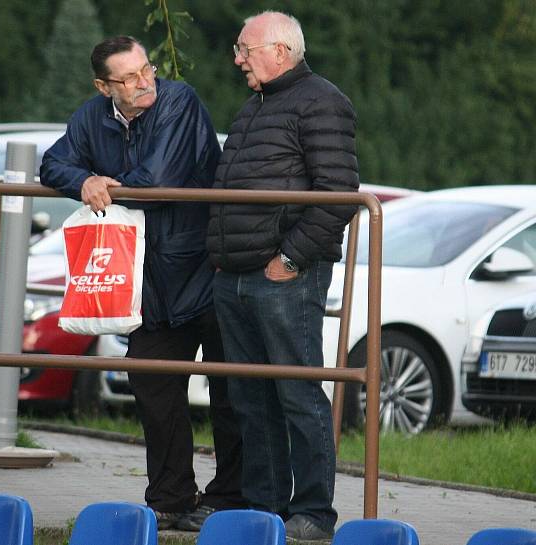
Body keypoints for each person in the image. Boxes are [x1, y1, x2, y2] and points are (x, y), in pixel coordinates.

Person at [41, 35, 244, 531]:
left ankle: (231, 500)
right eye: (129, 78)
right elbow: (51, 163)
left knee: (231, 392)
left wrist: (101, 179)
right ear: (103, 86)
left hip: (204, 266)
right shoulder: (92, 116)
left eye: (146, 69)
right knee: (154, 387)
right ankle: (171, 499)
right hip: (145, 282)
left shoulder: (178, 100)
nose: (144, 82)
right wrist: (82, 181)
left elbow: (157, 178)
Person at [207, 11, 359, 541]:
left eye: (245, 48)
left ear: (280, 50)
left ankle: (315, 513)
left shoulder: (322, 100)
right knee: (250, 398)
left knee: (297, 394)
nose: (237, 58)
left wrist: (290, 259)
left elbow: (339, 191)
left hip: (284, 276)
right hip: (237, 274)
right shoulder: (256, 105)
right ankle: (264, 509)